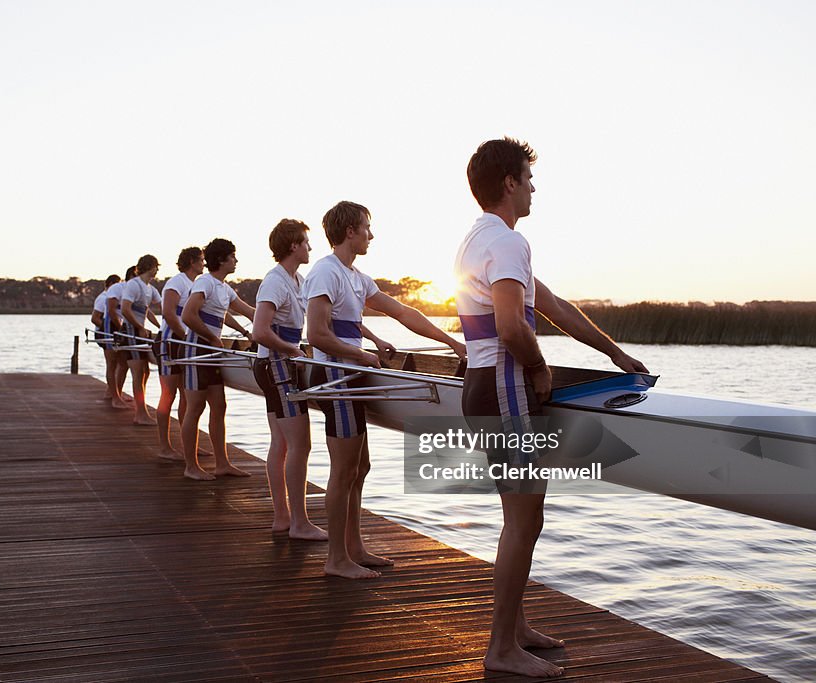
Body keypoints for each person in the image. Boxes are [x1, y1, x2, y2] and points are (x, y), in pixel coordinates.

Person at [456, 137, 648, 678]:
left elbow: (555, 306)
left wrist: (613, 352)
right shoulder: (509, 242)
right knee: (525, 518)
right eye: (529, 177)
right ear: (510, 183)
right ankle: (500, 649)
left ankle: (515, 629)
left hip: (482, 384)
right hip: (508, 387)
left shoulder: (479, 240)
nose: (536, 187)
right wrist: (539, 369)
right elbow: (514, 326)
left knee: (520, 518)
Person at [304, 201, 467, 579]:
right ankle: (336, 560)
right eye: (366, 228)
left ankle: (354, 547)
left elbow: (404, 313)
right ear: (350, 232)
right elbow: (316, 334)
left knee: (361, 466)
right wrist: (359, 354)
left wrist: (453, 343)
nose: (371, 235)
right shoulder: (325, 272)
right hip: (335, 380)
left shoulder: (356, 277)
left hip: (350, 375)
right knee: (344, 470)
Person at [252, 219, 327, 541]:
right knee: (300, 444)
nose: (311, 248)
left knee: (282, 444)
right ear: (294, 246)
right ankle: (299, 523)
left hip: (276, 364)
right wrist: (294, 351)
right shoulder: (275, 282)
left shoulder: (297, 279)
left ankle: (283, 517)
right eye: (307, 242)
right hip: (276, 366)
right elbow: (260, 331)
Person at [180, 238, 255, 480]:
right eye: (233, 256)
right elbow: (189, 316)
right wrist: (211, 339)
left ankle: (222, 464)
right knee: (195, 408)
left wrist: (255, 327)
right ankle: (191, 467)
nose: (236, 261)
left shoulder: (224, 287)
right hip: (196, 351)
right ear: (221, 260)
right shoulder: (205, 282)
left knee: (219, 406)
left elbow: (244, 311)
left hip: (212, 352)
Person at [155, 246, 205, 461]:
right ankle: (165, 447)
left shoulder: (195, 284)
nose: (204, 263)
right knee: (169, 395)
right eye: (201, 260)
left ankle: (189, 446)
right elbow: (167, 312)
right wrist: (184, 336)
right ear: (192, 261)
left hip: (184, 344)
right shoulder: (177, 282)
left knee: (187, 397)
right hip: (170, 343)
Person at [121, 255, 162, 426]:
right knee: (137, 373)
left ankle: (141, 410)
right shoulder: (133, 284)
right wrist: (139, 326)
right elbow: (125, 309)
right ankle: (140, 414)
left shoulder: (149, 288)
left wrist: (161, 326)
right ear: (149, 267)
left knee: (145, 372)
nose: (157, 269)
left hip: (139, 333)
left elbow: (160, 308)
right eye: (156, 266)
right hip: (130, 332)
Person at [105, 267, 135, 409]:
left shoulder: (136, 289)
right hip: (110, 326)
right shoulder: (118, 288)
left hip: (124, 327)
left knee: (123, 363)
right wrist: (119, 328)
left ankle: (118, 392)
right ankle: (114, 397)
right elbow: (111, 310)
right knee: (112, 362)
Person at [91, 274, 122, 402]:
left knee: (119, 363)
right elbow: (94, 318)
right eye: (116, 285)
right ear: (109, 285)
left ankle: (113, 391)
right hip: (105, 333)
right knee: (112, 363)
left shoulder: (115, 298)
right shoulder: (103, 298)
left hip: (115, 332)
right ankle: (112, 393)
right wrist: (107, 329)